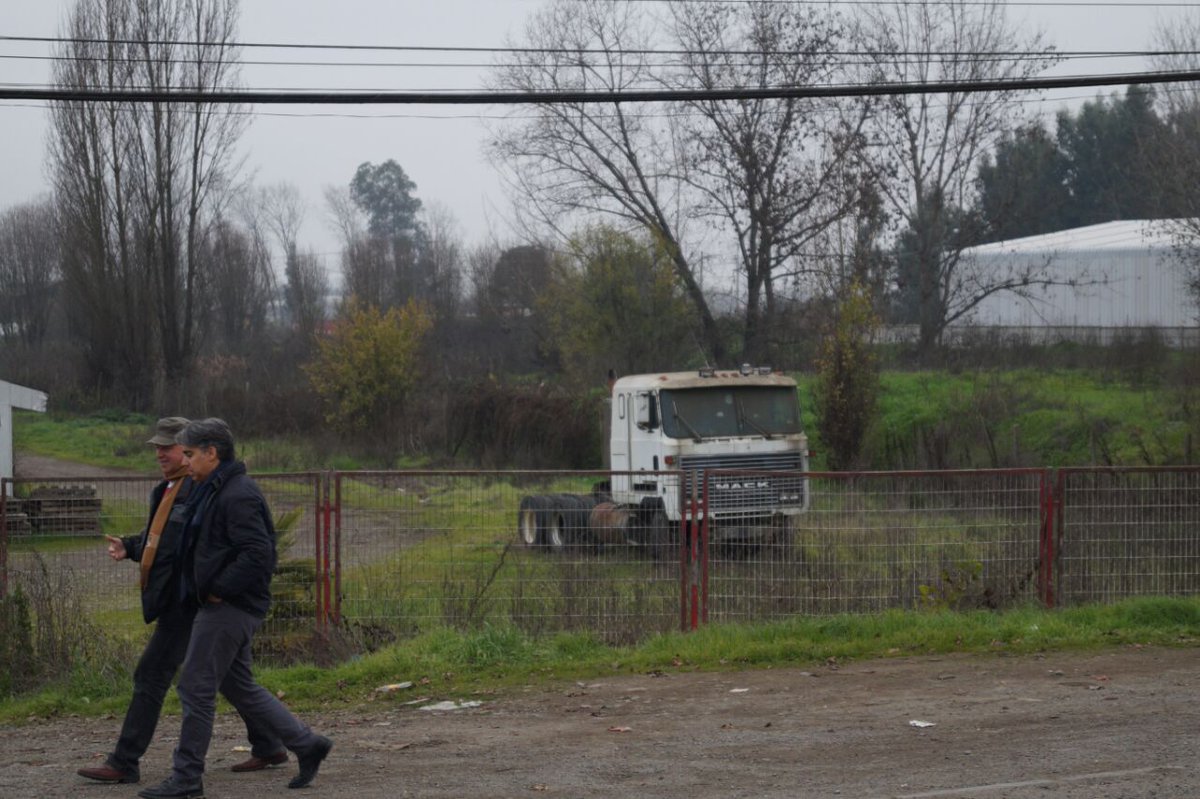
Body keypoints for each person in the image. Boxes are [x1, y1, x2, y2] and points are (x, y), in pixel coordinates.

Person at [77, 417, 288, 786]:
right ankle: (272, 743)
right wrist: (130, 546)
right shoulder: (170, 490)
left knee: (154, 673)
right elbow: (163, 537)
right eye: (157, 447)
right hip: (187, 598)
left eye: (170, 447)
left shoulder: (203, 488)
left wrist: (217, 588)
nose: (161, 453)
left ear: (198, 450)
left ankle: (127, 761)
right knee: (231, 679)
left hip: (192, 601)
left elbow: (245, 550)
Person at [138, 418, 332, 799]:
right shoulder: (211, 488)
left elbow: (259, 554)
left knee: (195, 686)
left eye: (190, 454)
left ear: (213, 452)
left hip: (230, 607)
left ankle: (187, 777)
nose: (185, 462)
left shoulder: (237, 493)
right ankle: (307, 743)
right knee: (238, 684)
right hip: (223, 604)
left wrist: (218, 590)